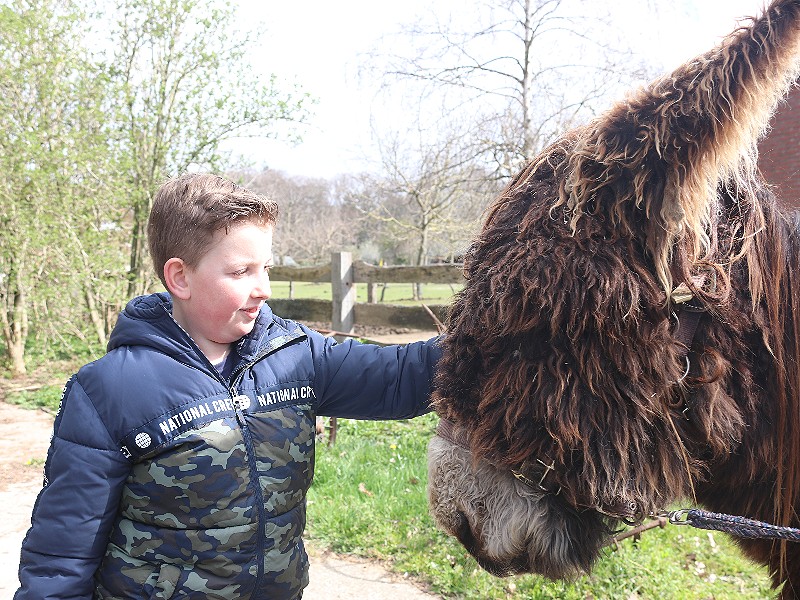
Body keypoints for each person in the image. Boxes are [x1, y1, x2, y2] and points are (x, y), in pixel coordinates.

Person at [14, 173, 442, 600]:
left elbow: (403, 377)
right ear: (179, 277)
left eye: (267, 268)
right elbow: (62, 554)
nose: (264, 289)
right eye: (242, 271)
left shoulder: (296, 356)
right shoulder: (110, 391)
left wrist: (500, 322)